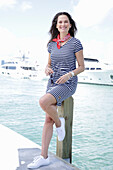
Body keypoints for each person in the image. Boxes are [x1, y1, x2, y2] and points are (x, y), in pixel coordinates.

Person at [27, 11, 85, 169]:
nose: (63, 25)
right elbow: (50, 64)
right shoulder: (51, 44)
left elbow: (81, 67)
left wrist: (69, 75)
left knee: (43, 101)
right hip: (52, 82)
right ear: (56, 25)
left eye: (66, 22)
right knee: (47, 120)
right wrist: (47, 68)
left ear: (70, 24)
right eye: (60, 22)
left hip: (68, 83)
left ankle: (60, 124)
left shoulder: (76, 43)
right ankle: (43, 157)